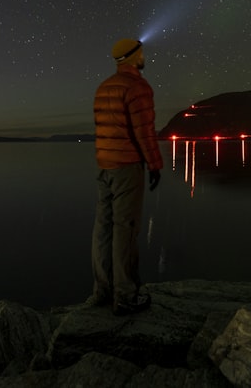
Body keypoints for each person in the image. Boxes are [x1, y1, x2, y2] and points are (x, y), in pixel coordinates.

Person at [89, 38, 163, 315]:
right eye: (142, 52)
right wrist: (155, 165)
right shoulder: (137, 87)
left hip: (104, 166)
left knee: (103, 229)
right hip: (126, 168)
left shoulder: (103, 87)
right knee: (126, 229)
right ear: (133, 57)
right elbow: (144, 132)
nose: (145, 56)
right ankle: (125, 295)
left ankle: (102, 291)